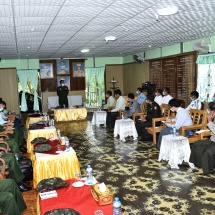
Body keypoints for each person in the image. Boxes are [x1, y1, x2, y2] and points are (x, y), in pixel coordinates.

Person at [190, 102, 215, 174]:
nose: (208, 110)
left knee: (207, 152)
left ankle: (206, 169)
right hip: (212, 139)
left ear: (213, 110)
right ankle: (199, 164)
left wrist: (210, 121)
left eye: (209, 109)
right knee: (197, 144)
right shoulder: (213, 116)